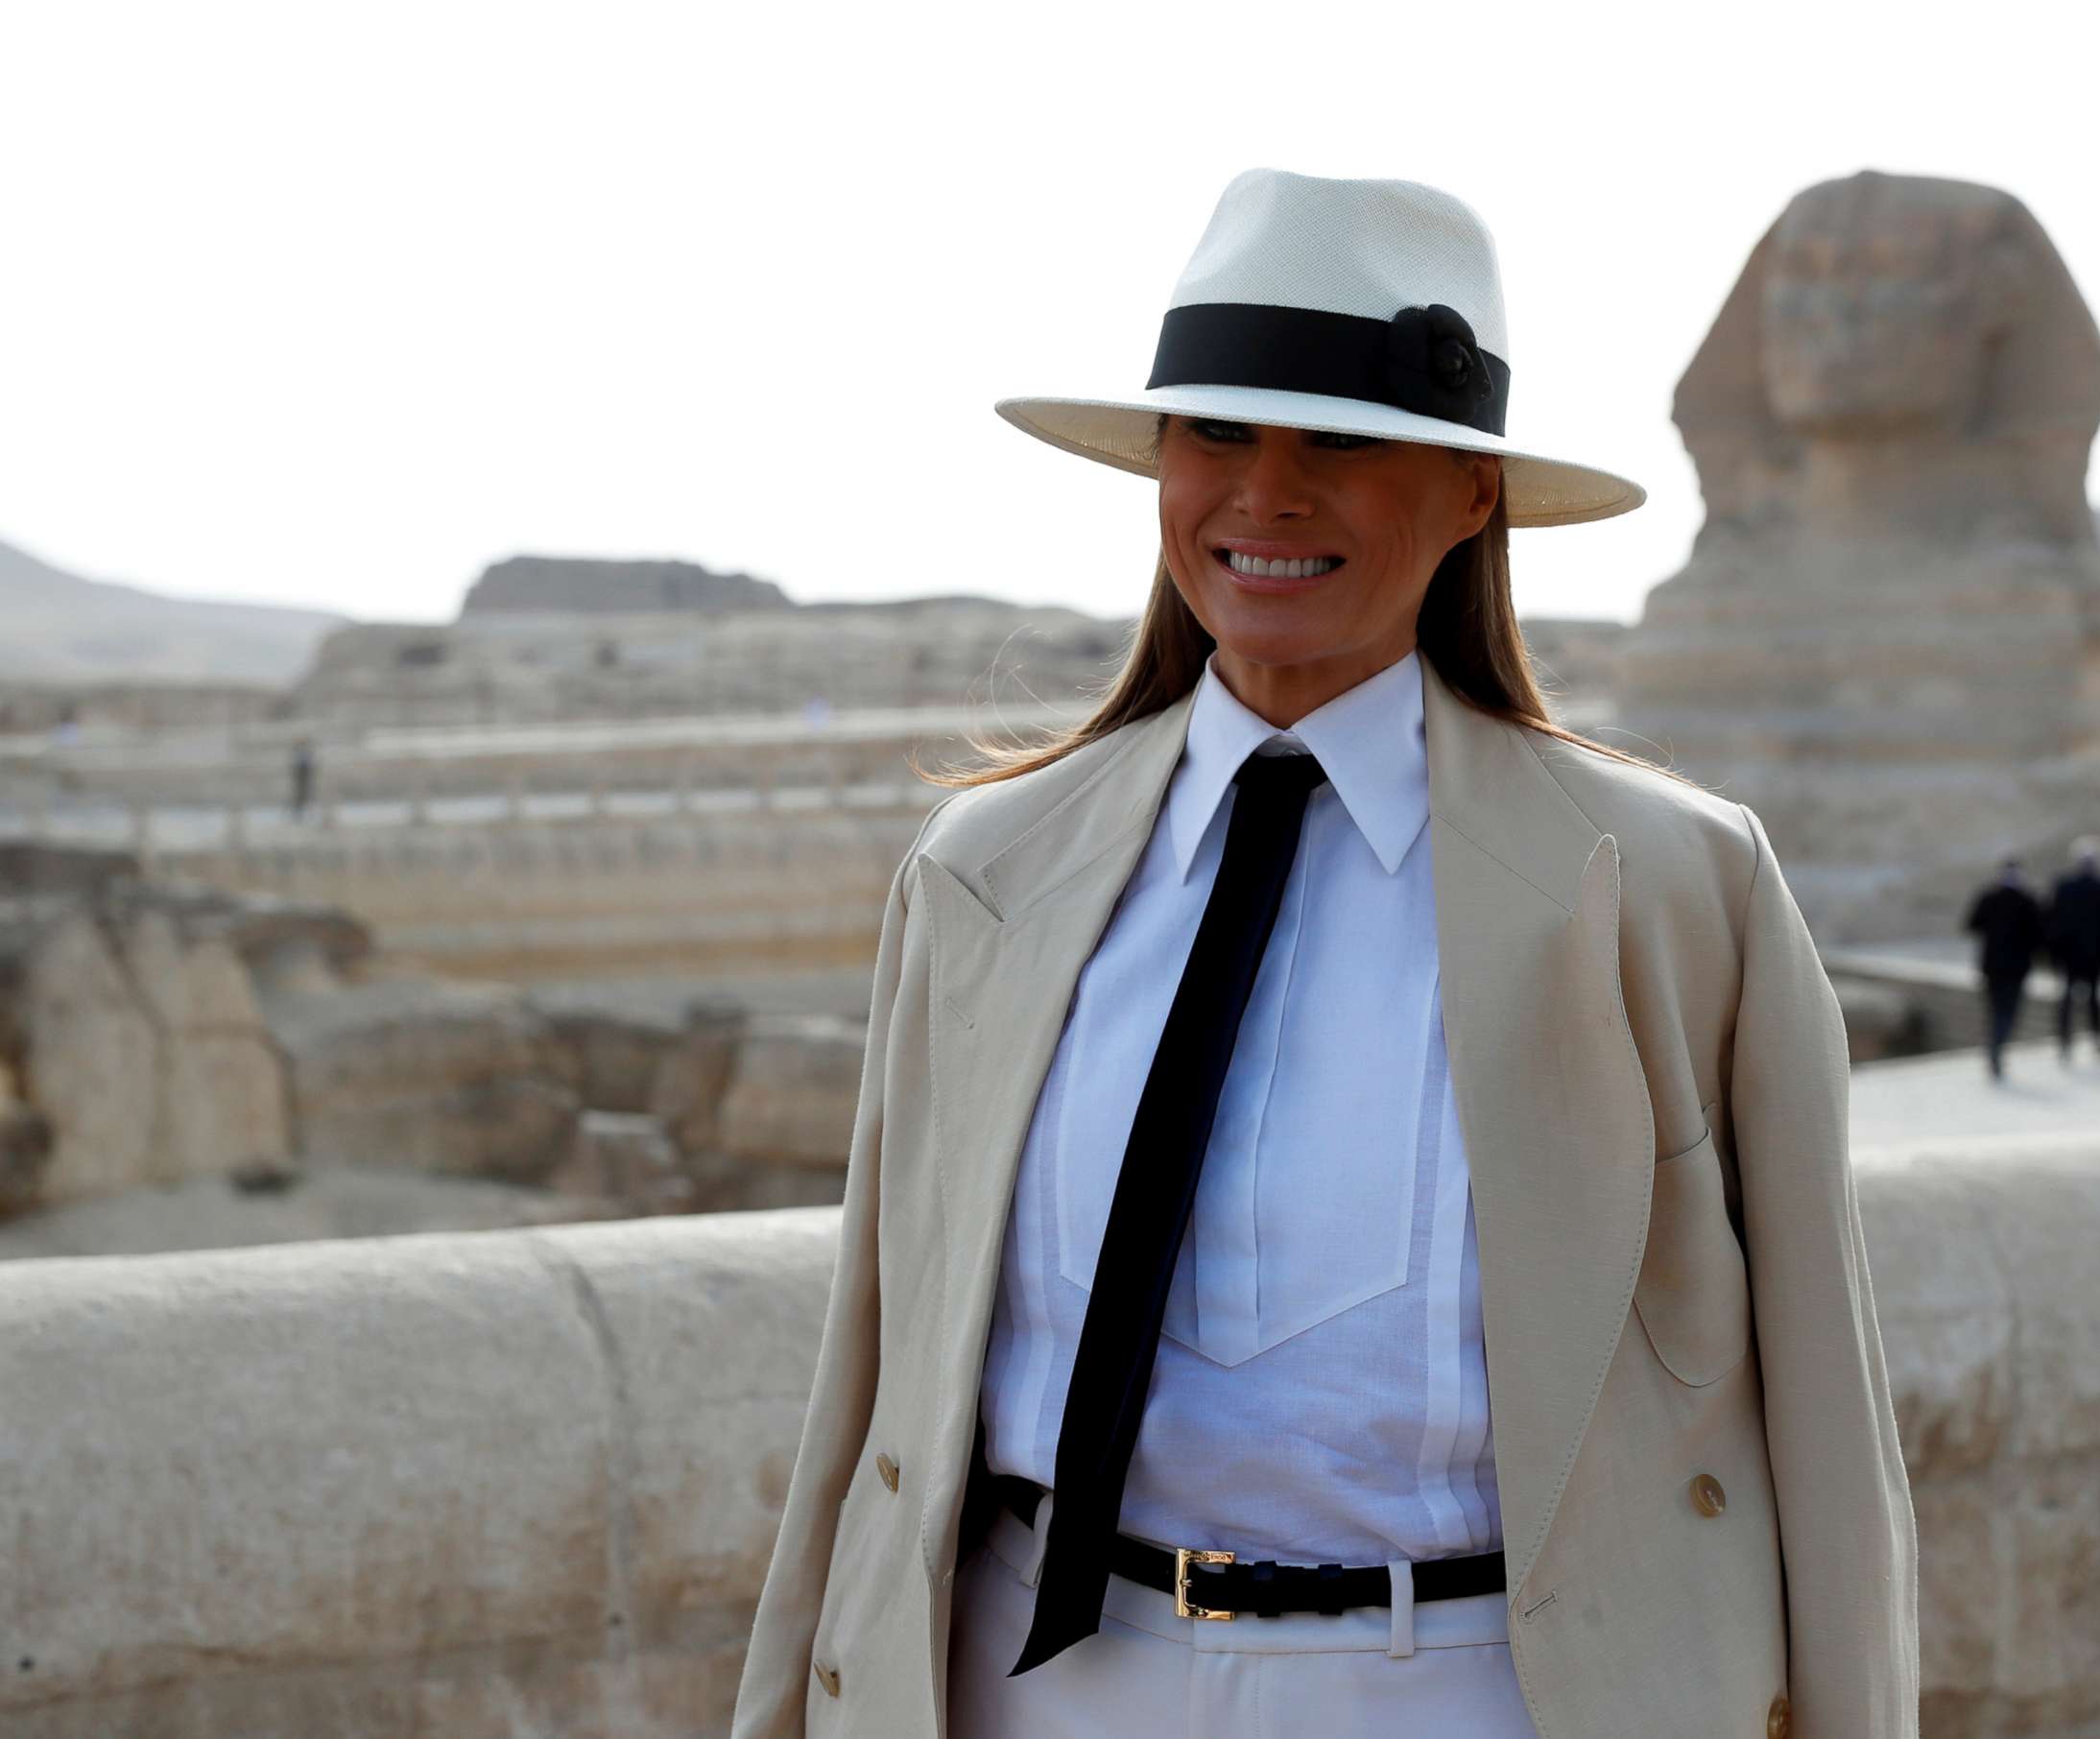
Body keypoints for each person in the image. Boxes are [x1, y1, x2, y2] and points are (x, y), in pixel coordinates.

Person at [731, 170, 1916, 1739]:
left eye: (1341, 440)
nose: (1265, 494)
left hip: (1476, 1692)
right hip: (1032, 1684)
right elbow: (870, 1385)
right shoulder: (981, 879)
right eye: (1216, 432)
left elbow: (1825, 1419)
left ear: (1473, 491)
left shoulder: (1673, 893)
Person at [1964, 857, 2045, 1081]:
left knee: (1998, 1012)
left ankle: (1995, 1049)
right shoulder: (2025, 901)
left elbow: (1972, 924)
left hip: (1996, 967)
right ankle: (1996, 1049)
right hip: (2013, 968)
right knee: (2007, 1013)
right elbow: (2039, 936)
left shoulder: (1992, 898)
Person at [2047, 836, 2100, 1061]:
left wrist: (2053, 952)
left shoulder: (2065, 886)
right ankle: (2095, 1038)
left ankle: (2065, 1041)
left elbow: (2053, 921)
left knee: (2069, 997)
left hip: (2071, 953)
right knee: (2092, 999)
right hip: (2092, 953)